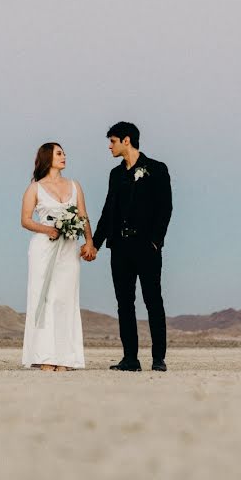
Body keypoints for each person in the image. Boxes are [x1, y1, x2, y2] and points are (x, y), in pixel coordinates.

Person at [81, 122, 172, 372]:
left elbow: (165, 209)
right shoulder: (115, 174)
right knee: (124, 303)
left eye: (112, 141)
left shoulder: (157, 169)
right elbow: (108, 211)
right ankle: (130, 358)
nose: (109, 146)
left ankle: (158, 358)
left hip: (147, 248)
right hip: (119, 248)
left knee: (153, 300)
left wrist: (155, 242)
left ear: (126, 140)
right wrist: (95, 244)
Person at [20, 142, 94, 371]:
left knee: (65, 299)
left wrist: (89, 242)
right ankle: (45, 356)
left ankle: (65, 358)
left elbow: (83, 216)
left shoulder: (74, 185)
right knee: (45, 298)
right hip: (44, 247)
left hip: (69, 248)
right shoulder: (35, 188)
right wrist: (48, 230)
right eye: (59, 153)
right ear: (47, 157)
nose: (64, 156)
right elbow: (26, 220)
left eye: (64, 153)